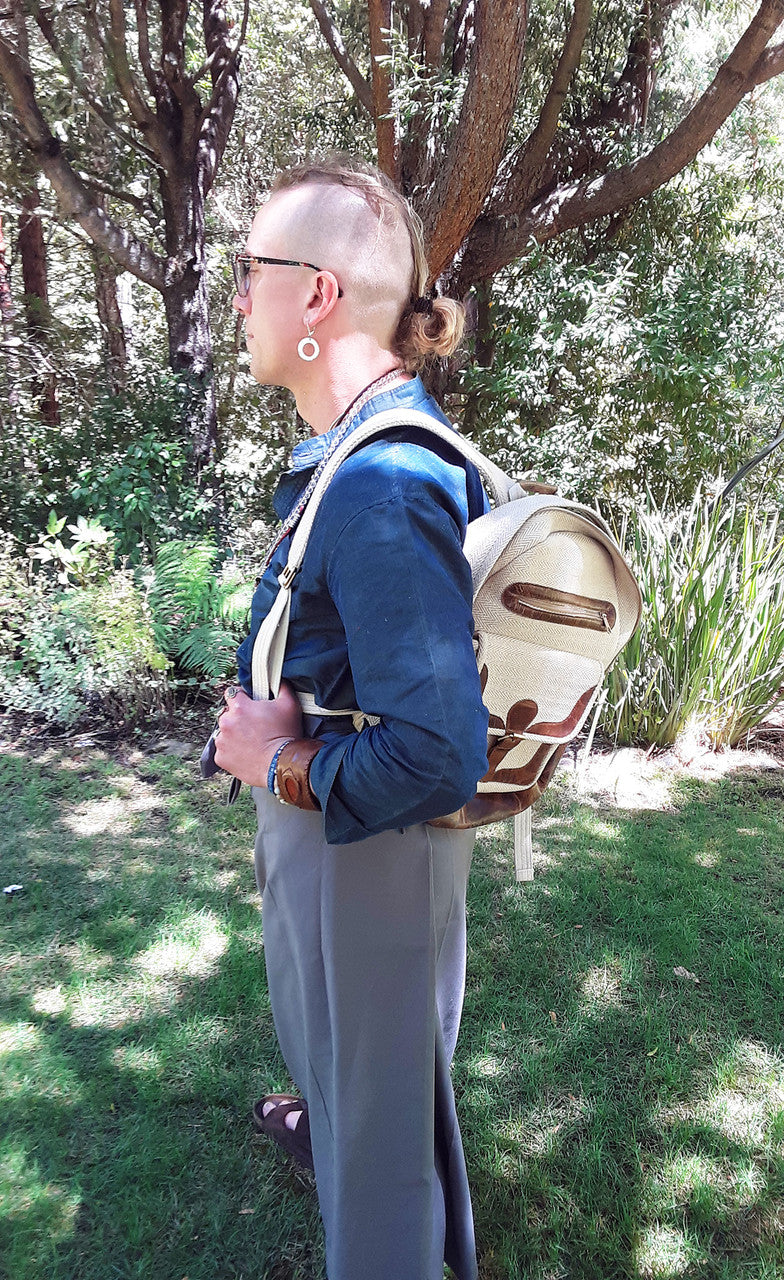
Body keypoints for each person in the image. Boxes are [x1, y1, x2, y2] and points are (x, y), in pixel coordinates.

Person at [213, 156, 489, 1280]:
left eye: (250, 269)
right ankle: (326, 1122)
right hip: (353, 838)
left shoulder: (380, 484)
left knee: (383, 1163)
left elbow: (437, 747)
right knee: (363, 1087)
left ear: (316, 295)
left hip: (369, 846)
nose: (238, 294)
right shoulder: (360, 454)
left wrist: (282, 766)